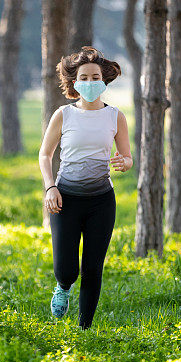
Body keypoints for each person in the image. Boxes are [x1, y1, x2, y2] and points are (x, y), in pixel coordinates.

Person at [38, 46, 133, 329]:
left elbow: (127, 156)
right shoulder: (63, 115)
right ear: (74, 82)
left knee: (93, 267)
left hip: (101, 200)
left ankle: (84, 327)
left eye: (95, 77)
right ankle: (63, 287)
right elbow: (45, 154)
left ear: (103, 80)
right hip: (65, 198)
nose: (90, 83)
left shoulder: (115, 116)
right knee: (67, 269)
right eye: (85, 77)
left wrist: (124, 162)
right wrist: (50, 187)